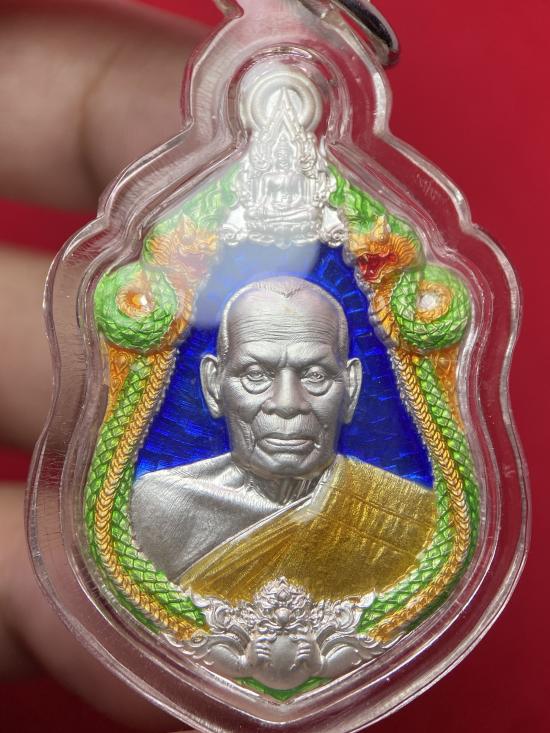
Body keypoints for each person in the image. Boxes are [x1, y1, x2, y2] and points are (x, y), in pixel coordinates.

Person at [131, 277, 435, 603]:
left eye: (315, 375)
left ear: (351, 387)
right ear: (213, 385)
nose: (287, 403)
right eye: (255, 375)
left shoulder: (411, 518)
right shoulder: (159, 508)